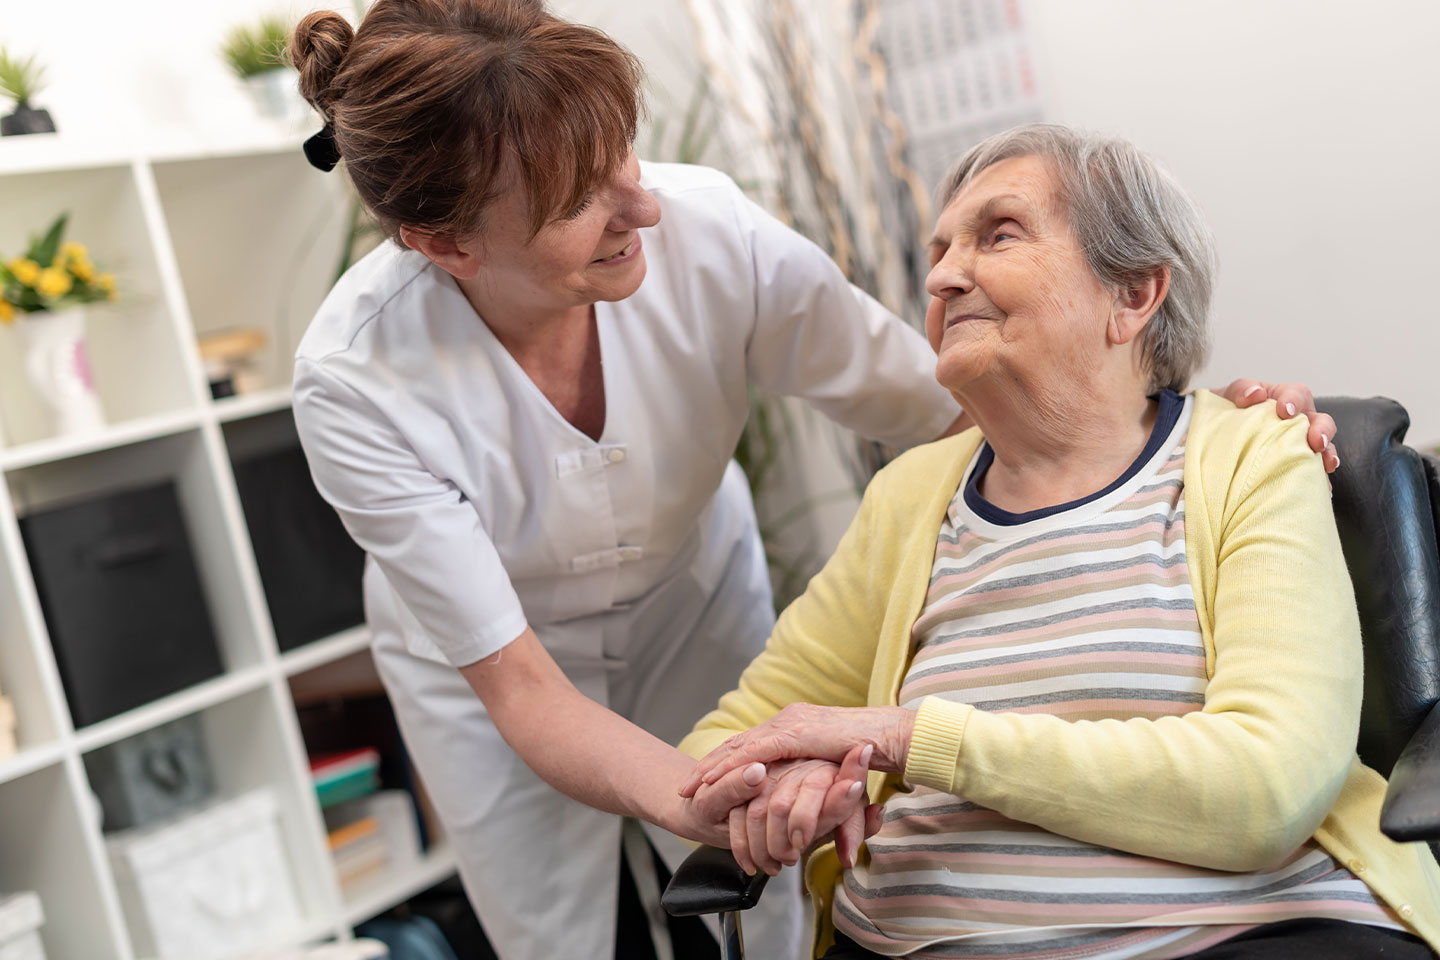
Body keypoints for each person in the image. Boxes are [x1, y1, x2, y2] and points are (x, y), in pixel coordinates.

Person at [287, 1, 1339, 956]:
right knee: (552, 933)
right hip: (492, 669)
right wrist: (709, 791)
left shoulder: (713, 233)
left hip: (689, 596)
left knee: (775, 907)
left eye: (626, 157)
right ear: (443, 243)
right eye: (577, 199)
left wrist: (1206, 420)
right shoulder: (357, 380)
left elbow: (943, 392)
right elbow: (523, 691)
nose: (642, 208)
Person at [678, 123, 1440, 960]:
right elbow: (735, 738)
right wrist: (791, 776)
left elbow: (1266, 788)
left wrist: (912, 738)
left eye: (998, 235)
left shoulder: (1253, 457)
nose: (941, 275)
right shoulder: (908, 501)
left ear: (1135, 295)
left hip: (1243, 933)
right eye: (939, 250)